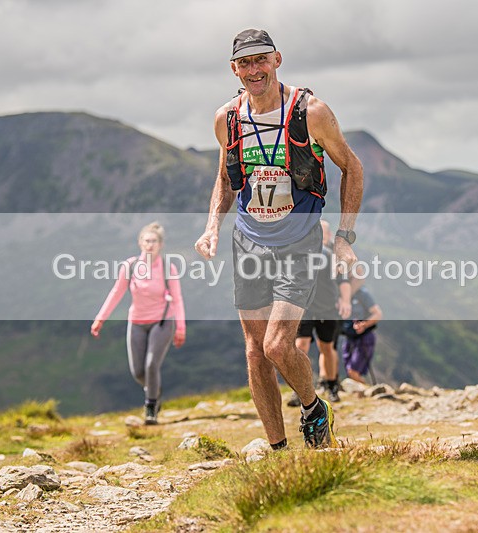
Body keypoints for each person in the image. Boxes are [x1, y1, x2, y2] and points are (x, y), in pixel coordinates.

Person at [194, 29, 363, 449]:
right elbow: (225, 178)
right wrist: (212, 224)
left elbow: (353, 168)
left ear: (277, 60)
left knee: (276, 345)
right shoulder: (227, 119)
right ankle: (278, 452)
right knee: (254, 350)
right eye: (245, 63)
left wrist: (343, 236)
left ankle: (312, 407)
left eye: (261, 60)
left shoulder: (312, 112)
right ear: (234, 69)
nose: (254, 70)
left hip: (299, 241)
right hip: (249, 241)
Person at [91, 222, 186, 425]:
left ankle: (151, 407)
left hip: (161, 322)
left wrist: (180, 328)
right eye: (146, 240)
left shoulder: (168, 267)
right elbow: (116, 293)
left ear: (160, 244)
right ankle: (155, 390)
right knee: (138, 371)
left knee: (152, 364)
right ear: (140, 243)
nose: (149, 244)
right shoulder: (131, 266)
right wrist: (100, 318)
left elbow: (177, 299)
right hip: (136, 322)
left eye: (154, 241)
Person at [288, 220, 351, 406]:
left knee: (327, 348)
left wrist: (345, 300)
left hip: (327, 309)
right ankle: (299, 391)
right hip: (305, 309)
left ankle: (331, 386)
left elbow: (344, 282)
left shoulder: (332, 256)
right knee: (300, 347)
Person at [341, 283, 382, 384]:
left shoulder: (362, 294)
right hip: (349, 337)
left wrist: (364, 324)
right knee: (349, 371)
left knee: (353, 372)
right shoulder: (339, 294)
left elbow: (378, 314)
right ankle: (362, 393)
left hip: (364, 338)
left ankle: (367, 392)